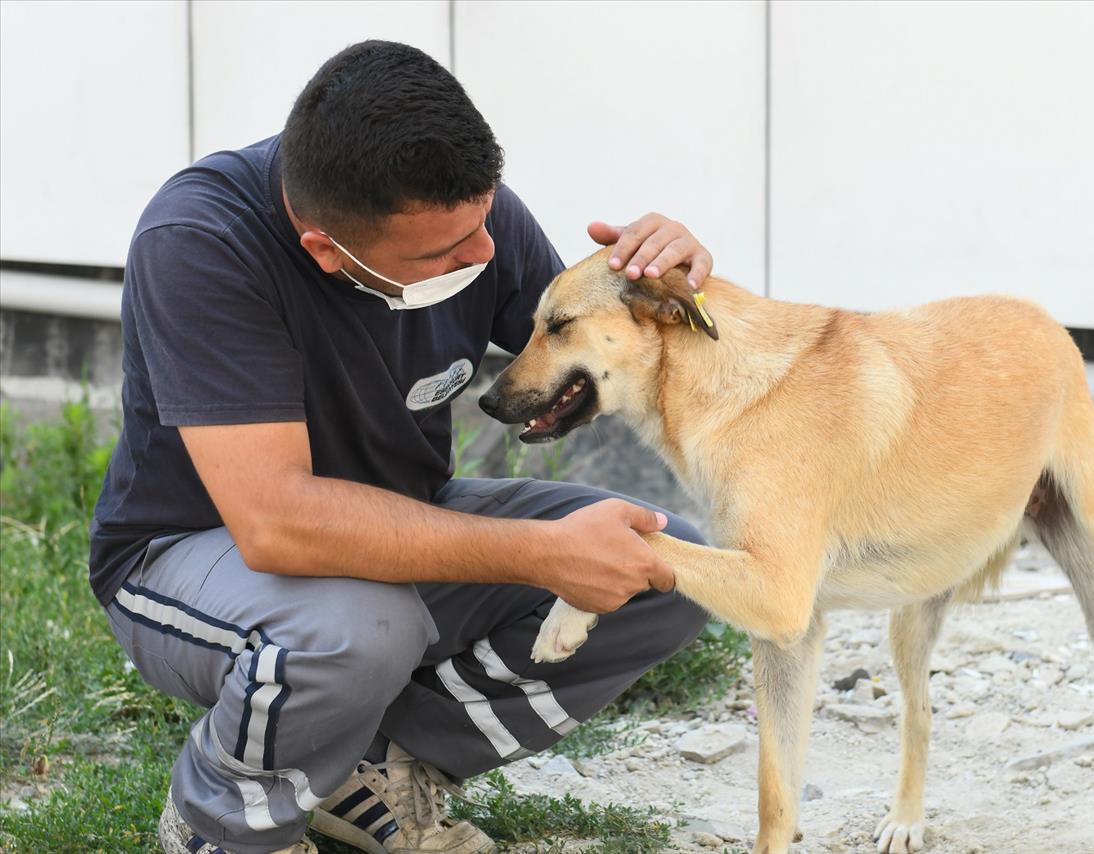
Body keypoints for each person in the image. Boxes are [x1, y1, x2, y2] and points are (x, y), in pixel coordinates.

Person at [89, 39, 713, 854]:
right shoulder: (202, 242)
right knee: (359, 629)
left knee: (671, 566)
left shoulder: (467, 220)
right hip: (190, 558)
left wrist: (674, 300)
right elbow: (278, 523)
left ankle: (367, 768)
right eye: (445, 255)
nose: (483, 256)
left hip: (397, 524)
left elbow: (594, 364)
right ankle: (220, 824)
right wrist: (539, 553)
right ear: (326, 251)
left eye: (485, 223)